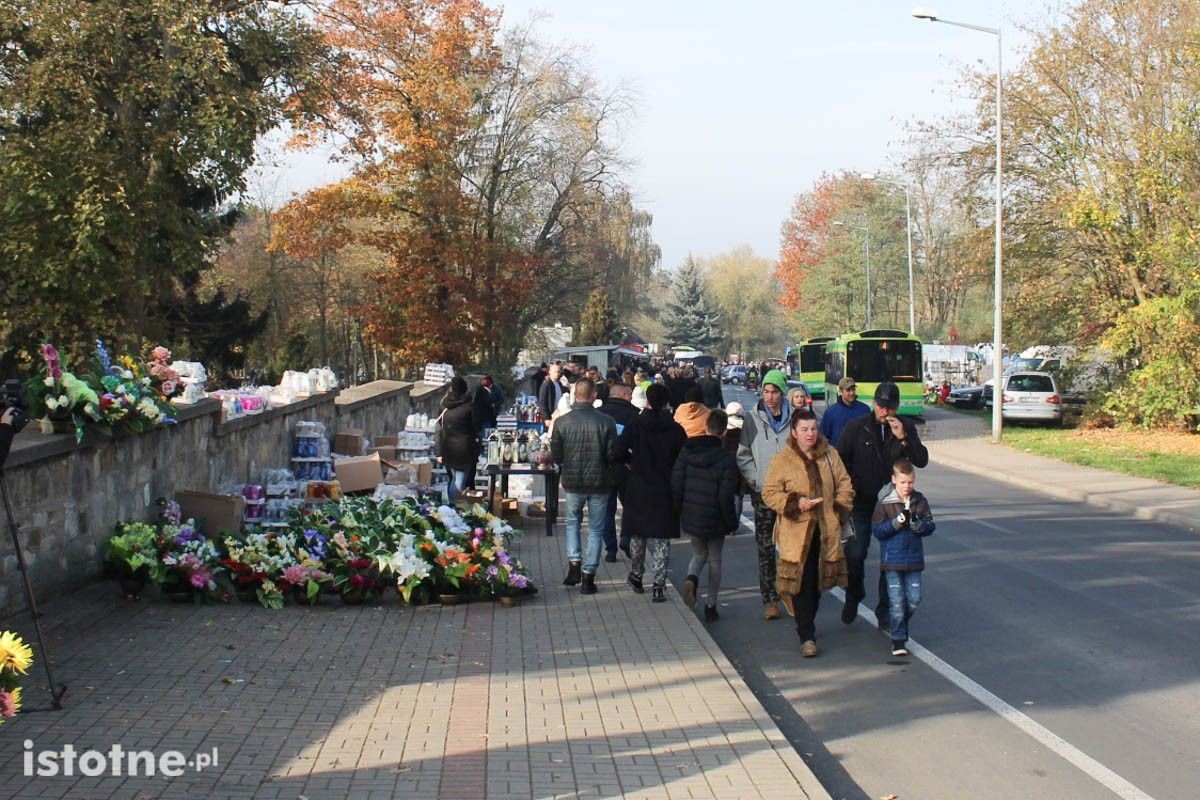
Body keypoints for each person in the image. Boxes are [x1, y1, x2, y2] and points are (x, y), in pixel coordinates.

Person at [836, 381, 929, 628]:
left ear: (896, 407)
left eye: (889, 408)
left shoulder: (905, 427)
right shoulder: (857, 427)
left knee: (892, 559)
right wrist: (849, 486)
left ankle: (885, 609)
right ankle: (854, 595)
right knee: (855, 554)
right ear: (874, 403)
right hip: (861, 503)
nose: (884, 412)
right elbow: (838, 461)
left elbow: (921, 460)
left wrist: (904, 439)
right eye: (880, 406)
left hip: (893, 506)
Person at [761, 410, 853, 657]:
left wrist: (839, 510)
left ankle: (806, 619)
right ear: (794, 432)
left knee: (817, 583)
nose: (810, 434)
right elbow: (769, 492)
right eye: (804, 429)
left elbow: (845, 484)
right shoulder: (783, 460)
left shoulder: (830, 455)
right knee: (801, 582)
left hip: (825, 530)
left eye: (813, 428)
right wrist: (794, 503)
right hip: (796, 533)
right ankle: (807, 636)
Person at [614, 383, 686, 602]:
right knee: (662, 538)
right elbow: (683, 457)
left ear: (647, 400)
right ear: (666, 402)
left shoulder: (635, 425)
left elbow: (617, 451)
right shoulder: (676, 430)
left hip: (639, 485)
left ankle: (636, 574)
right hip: (665, 487)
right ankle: (659, 585)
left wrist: (630, 462)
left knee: (638, 534)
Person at [550, 378, 617, 594]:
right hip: (600, 482)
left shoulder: (562, 422)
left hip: (572, 481)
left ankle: (574, 565)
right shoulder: (607, 422)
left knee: (572, 523)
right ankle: (589, 577)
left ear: (574, 394)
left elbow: (557, 455)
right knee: (596, 529)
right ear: (594, 395)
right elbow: (611, 454)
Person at [673, 409, 741, 623]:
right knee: (715, 560)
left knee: (698, 554)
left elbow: (676, 482)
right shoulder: (725, 458)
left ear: (706, 427)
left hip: (692, 513)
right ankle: (711, 605)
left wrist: (679, 510)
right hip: (715, 517)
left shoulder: (687, 451)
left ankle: (691, 579)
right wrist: (731, 521)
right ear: (723, 432)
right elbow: (726, 495)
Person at [736, 368, 793, 620]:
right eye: (766, 391)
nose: (770, 397)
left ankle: (788, 591)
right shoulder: (752, 419)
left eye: (774, 392)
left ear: (783, 393)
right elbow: (743, 454)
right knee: (766, 547)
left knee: (791, 547)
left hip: (791, 494)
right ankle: (769, 598)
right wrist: (755, 479)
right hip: (763, 493)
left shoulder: (796, 419)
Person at [871, 458, 936, 656]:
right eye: (902, 482)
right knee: (897, 600)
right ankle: (898, 639)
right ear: (894, 480)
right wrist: (896, 523)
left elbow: (930, 525)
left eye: (910, 482)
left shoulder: (919, 500)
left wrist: (918, 525)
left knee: (914, 599)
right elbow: (878, 530)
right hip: (892, 561)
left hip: (914, 560)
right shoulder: (885, 502)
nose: (907, 486)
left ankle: (898, 622)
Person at [599, 383, 639, 561]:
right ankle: (626, 537)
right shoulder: (634, 414)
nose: (631, 398)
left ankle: (611, 550)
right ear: (623, 394)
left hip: (604, 467)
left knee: (607, 511)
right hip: (626, 468)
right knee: (630, 506)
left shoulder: (599, 414)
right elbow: (637, 444)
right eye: (629, 395)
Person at [436, 376, 480, 502]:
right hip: (464, 450)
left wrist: (438, 451)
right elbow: (476, 426)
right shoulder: (469, 407)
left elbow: (439, 429)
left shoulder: (444, 406)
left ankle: (451, 504)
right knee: (459, 480)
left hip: (447, 448)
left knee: (453, 479)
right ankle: (455, 506)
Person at [819, 377, 871, 448]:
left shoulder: (864, 409)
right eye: (848, 390)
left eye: (853, 389)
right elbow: (823, 435)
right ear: (840, 391)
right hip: (838, 455)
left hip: (859, 455)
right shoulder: (831, 412)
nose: (852, 393)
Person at [723, 401, 747, 524]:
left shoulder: (724, 427)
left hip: (726, 464)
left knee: (727, 494)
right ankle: (735, 523)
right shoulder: (746, 427)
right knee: (739, 495)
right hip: (742, 463)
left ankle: (727, 521)